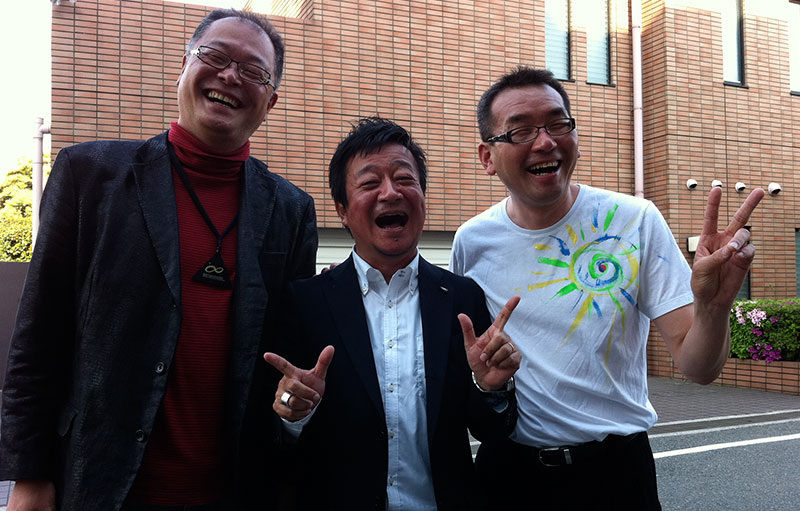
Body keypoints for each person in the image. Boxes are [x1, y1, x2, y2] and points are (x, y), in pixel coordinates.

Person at [0, 9, 317, 511]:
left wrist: (294, 401)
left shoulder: (291, 210)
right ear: (183, 66)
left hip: (231, 492)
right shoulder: (89, 176)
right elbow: (38, 340)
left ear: (270, 101)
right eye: (215, 56)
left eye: (253, 71)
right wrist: (29, 476)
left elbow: (285, 360)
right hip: (99, 486)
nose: (230, 76)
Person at [450, 67, 764, 509]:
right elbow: (472, 364)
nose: (545, 142)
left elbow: (699, 368)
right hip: (509, 474)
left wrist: (714, 307)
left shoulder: (635, 220)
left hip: (617, 475)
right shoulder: (472, 240)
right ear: (488, 157)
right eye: (520, 131)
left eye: (558, 124)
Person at [263, 116, 520, 511]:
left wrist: (490, 389)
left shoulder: (461, 298)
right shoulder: (304, 302)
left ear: (423, 198)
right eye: (370, 183)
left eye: (404, 179)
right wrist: (291, 414)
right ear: (342, 210)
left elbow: (491, 429)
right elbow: (273, 434)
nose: (390, 192)